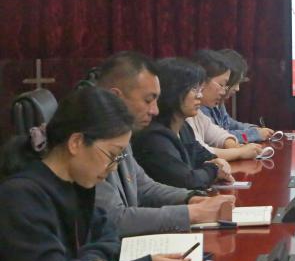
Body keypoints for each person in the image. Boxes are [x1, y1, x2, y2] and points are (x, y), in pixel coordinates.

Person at [0, 88, 191, 261]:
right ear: (76, 142)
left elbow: (107, 233)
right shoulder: (21, 195)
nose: (113, 167)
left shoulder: (79, 183)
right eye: (112, 154)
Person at [94, 52, 234, 235]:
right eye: (147, 100)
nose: (155, 110)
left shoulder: (122, 133)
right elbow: (114, 219)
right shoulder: (90, 141)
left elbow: (145, 188)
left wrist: (191, 199)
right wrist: (192, 213)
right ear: (115, 97)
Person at [132, 58, 233, 190]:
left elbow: (203, 156)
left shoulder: (183, 127)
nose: (200, 96)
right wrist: (214, 170)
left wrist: (218, 162)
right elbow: (187, 181)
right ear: (173, 91)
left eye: (200, 89)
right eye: (194, 89)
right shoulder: (153, 137)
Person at [187, 50, 262, 161]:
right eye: (222, 85)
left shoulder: (198, 113)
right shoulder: (188, 113)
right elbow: (200, 152)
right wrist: (240, 152)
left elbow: (217, 132)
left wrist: (231, 143)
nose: (223, 91)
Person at [201, 49, 274, 142]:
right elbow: (217, 137)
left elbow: (228, 124)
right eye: (222, 84)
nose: (237, 89)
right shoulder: (201, 105)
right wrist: (254, 134)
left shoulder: (216, 101)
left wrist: (253, 129)